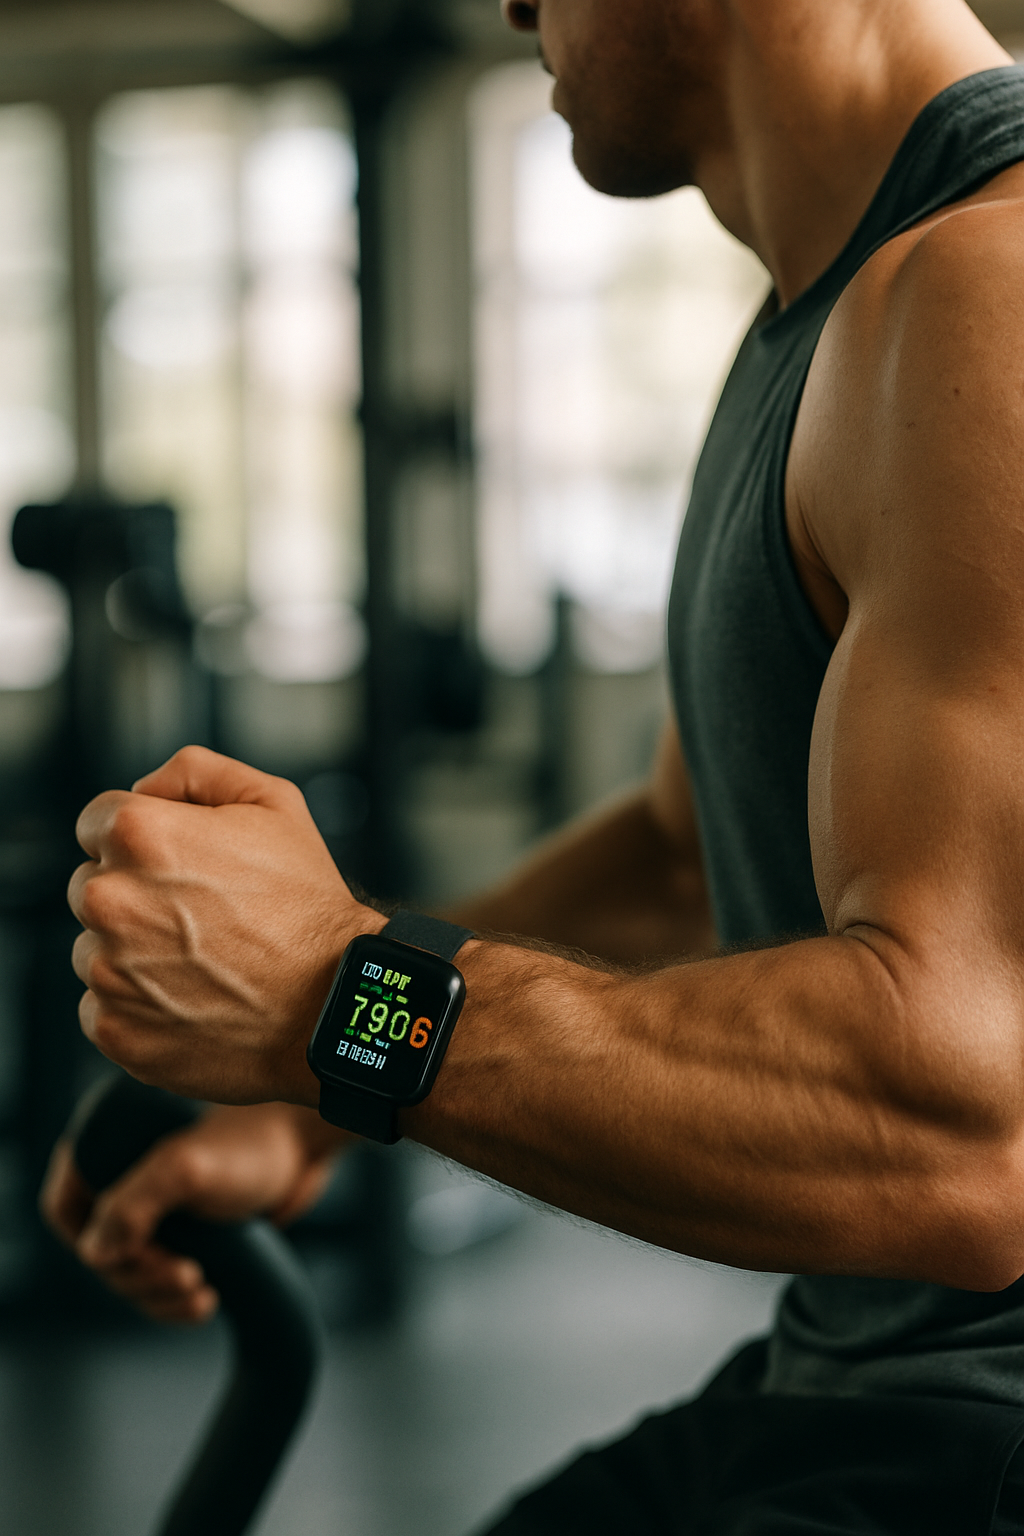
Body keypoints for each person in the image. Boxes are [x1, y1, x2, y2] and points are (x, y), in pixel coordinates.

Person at [40, 0, 1024, 1529]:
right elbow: (688, 853)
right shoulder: (827, 309)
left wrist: (329, 1001)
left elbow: (963, 1128)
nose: (505, 2)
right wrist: (307, 1099)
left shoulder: (987, 294)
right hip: (856, 1384)